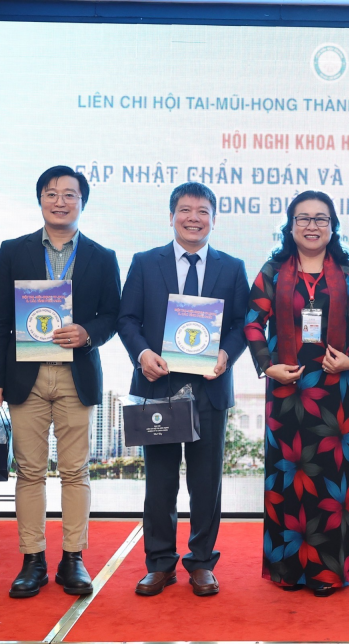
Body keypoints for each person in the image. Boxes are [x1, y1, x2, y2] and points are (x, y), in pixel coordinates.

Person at [0, 166, 121, 598]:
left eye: (70, 194)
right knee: (28, 472)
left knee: (76, 471)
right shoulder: (13, 251)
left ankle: (73, 559)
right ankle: (33, 560)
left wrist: (87, 333)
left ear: (83, 201)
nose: (60, 201)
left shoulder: (103, 256)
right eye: (51, 193)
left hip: (76, 374)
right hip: (25, 374)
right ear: (40, 199)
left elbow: (113, 317)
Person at [117, 182, 248, 597]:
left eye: (203, 211)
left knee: (206, 485)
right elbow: (127, 320)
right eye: (186, 210)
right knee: (159, 483)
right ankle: (159, 563)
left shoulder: (232, 267)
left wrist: (227, 353)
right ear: (171, 215)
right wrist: (142, 355)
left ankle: (202, 563)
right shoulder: (144, 262)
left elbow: (242, 326)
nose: (194, 217)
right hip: (159, 387)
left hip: (209, 390)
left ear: (213, 218)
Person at [244, 190, 349, 597]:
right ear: (290, 226)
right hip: (286, 390)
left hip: (336, 392)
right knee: (289, 479)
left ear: (333, 226)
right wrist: (268, 365)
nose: (312, 226)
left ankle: (327, 573)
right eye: (303, 219)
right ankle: (287, 571)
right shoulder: (272, 270)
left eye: (320, 219)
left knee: (330, 483)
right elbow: (251, 321)